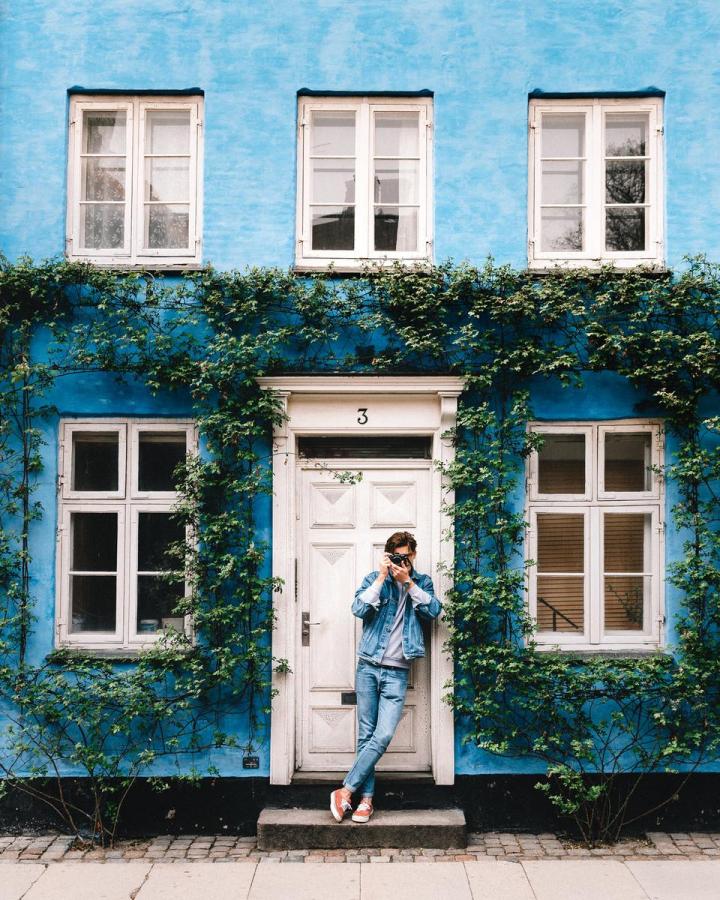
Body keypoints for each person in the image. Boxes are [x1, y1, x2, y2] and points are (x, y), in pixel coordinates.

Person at [329, 530, 442, 823]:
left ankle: (345, 790)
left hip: (397, 670)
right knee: (366, 734)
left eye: (404, 557)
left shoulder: (422, 582)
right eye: (395, 557)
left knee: (383, 734)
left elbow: (433, 610)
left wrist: (409, 584)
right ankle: (365, 801)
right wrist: (381, 578)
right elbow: (358, 608)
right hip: (368, 665)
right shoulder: (374, 579)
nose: (399, 562)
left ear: (412, 556)